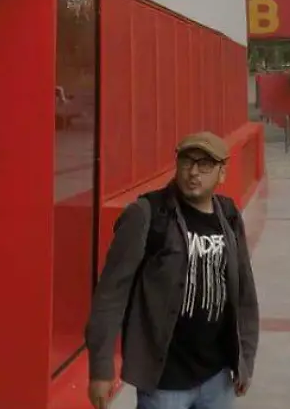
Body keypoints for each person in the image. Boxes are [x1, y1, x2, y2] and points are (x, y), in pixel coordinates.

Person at [86, 132, 260, 409]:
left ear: (222, 173)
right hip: (164, 383)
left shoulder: (228, 215)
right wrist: (101, 368)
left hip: (218, 378)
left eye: (205, 164)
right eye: (186, 162)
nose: (193, 172)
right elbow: (110, 294)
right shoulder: (146, 214)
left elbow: (245, 294)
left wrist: (245, 359)